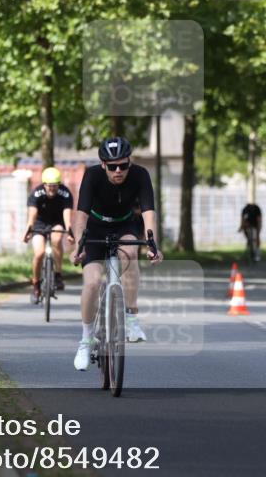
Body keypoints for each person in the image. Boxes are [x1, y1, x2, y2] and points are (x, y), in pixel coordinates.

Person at [70, 136, 163, 371]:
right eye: (112, 167)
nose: (118, 171)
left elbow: (148, 212)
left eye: (123, 165)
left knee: (130, 253)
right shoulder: (92, 176)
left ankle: (131, 317)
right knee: (91, 282)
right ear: (103, 165)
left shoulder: (140, 175)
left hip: (125, 225)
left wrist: (154, 245)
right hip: (95, 226)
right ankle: (86, 339)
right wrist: (78, 246)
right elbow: (80, 215)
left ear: (130, 162)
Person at [23, 166, 74, 304]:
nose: (52, 189)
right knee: (39, 253)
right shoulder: (36, 193)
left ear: (59, 184)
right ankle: (36, 285)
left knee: (57, 239)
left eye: (55, 186)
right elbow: (32, 215)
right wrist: (29, 231)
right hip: (39, 224)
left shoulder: (65, 193)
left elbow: (67, 215)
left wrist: (70, 231)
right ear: (44, 184)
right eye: (49, 186)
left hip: (56, 222)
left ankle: (58, 274)